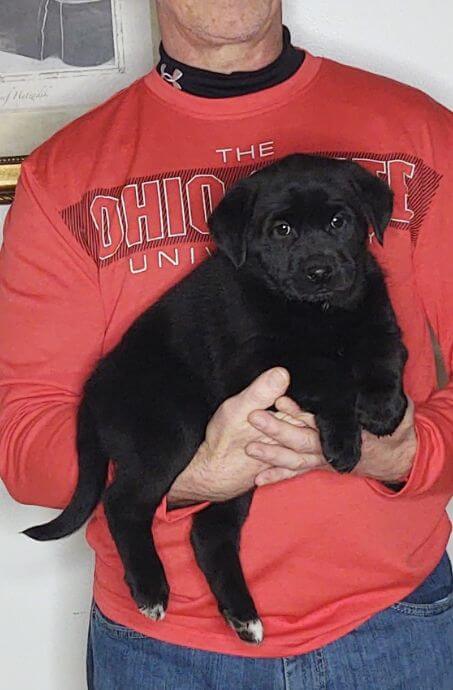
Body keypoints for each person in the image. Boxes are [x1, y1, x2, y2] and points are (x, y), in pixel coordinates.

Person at [0, 1, 452, 688]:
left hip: (393, 625)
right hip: (164, 650)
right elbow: (21, 438)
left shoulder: (419, 133)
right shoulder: (65, 174)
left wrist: (404, 453)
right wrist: (185, 474)